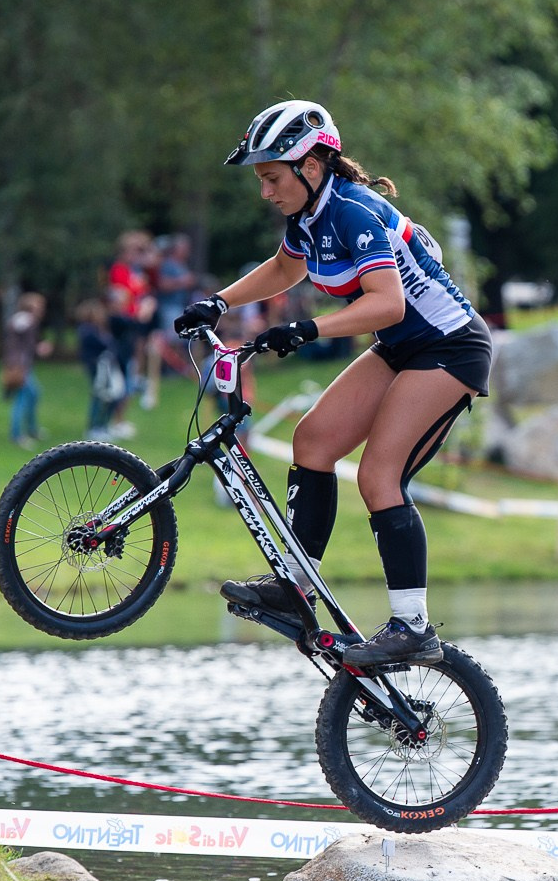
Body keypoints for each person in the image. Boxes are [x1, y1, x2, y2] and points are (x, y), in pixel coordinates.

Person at [178, 100, 492, 669]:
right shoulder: (309, 215)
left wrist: (307, 329)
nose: (265, 192)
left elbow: (389, 304)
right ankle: (297, 588)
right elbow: (285, 268)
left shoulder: (351, 212)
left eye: (272, 178)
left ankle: (413, 626)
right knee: (313, 441)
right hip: (400, 348)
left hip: (449, 348)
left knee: (378, 476)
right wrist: (218, 302)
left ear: (310, 166)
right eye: (261, 180)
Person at [105, 231, 153, 429]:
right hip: (124, 328)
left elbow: (143, 296)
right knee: (124, 372)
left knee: (132, 372)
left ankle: (121, 418)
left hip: (136, 327)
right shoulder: (119, 271)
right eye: (136, 251)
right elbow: (120, 300)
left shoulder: (137, 273)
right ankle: (115, 419)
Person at [3, 291, 49, 448]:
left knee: (33, 394)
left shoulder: (22, 320)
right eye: (39, 305)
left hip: (21, 365)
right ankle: (17, 435)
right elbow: (20, 342)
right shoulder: (26, 320)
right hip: (20, 366)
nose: (41, 309)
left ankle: (31, 429)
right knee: (22, 399)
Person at [75, 298, 123, 441]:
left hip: (105, 366)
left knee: (110, 395)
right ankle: (94, 426)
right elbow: (104, 346)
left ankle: (103, 425)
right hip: (97, 367)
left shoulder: (98, 329)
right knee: (99, 396)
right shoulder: (88, 331)